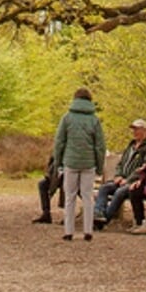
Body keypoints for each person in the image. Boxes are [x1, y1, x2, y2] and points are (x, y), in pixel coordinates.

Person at [49, 87, 106, 241]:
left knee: (70, 197)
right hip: (89, 163)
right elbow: (100, 146)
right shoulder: (94, 120)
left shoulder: (67, 118)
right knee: (87, 197)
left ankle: (69, 231)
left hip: (71, 162)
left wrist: (59, 162)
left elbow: (59, 142)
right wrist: (100, 166)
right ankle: (88, 231)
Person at [94, 118, 146, 229]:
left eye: (137, 129)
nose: (134, 132)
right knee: (104, 188)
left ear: (144, 130)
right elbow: (121, 163)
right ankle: (98, 213)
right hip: (122, 179)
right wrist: (118, 175)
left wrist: (128, 180)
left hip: (136, 182)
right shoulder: (131, 146)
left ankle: (104, 219)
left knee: (120, 192)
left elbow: (144, 168)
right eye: (133, 129)